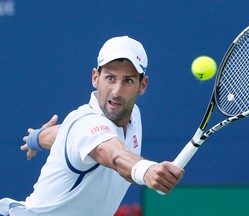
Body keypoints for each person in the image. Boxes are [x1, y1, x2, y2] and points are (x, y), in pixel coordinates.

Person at [0, 36, 184, 216]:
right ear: (95, 77)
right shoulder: (87, 124)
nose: (117, 91)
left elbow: (64, 134)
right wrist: (146, 170)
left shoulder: (132, 114)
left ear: (142, 85)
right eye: (110, 78)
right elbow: (116, 156)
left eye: (128, 80)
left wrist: (37, 139)